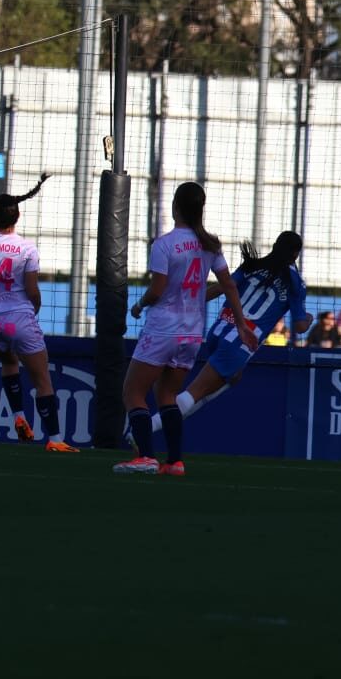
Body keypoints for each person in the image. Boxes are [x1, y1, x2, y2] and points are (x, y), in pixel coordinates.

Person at [115, 181, 256, 476]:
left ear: (175, 206)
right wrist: (241, 325)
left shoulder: (164, 245)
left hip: (163, 328)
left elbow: (157, 290)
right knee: (167, 395)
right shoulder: (210, 245)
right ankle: (175, 461)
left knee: (133, 393)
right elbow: (229, 284)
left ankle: (146, 458)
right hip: (192, 333)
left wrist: (140, 305)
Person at [150, 231, 312, 436]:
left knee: (231, 379)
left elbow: (220, 288)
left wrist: (185, 304)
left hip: (219, 331)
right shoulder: (295, 283)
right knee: (196, 392)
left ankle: (163, 428)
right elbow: (299, 327)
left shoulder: (252, 266)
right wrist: (308, 319)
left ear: (274, 245)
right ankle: (147, 428)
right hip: (240, 342)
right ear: (296, 254)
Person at [0, 174, 78, 452]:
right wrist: (33, 310)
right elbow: (32, 289)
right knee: (42, 381)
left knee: (9, 364)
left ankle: (19, 418)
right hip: (18, 319)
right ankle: (56, 440)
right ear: (18, 216)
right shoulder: (27, 248)